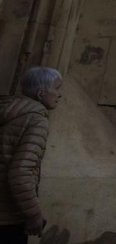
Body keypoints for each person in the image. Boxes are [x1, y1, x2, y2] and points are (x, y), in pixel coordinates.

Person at [0, 67, 62, 242]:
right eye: (57, 88)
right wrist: (34, 215)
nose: (60, 94)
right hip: (9, 217)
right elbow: (20, 173)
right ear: (41, 93)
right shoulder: (36, 120)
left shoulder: (8, 109)